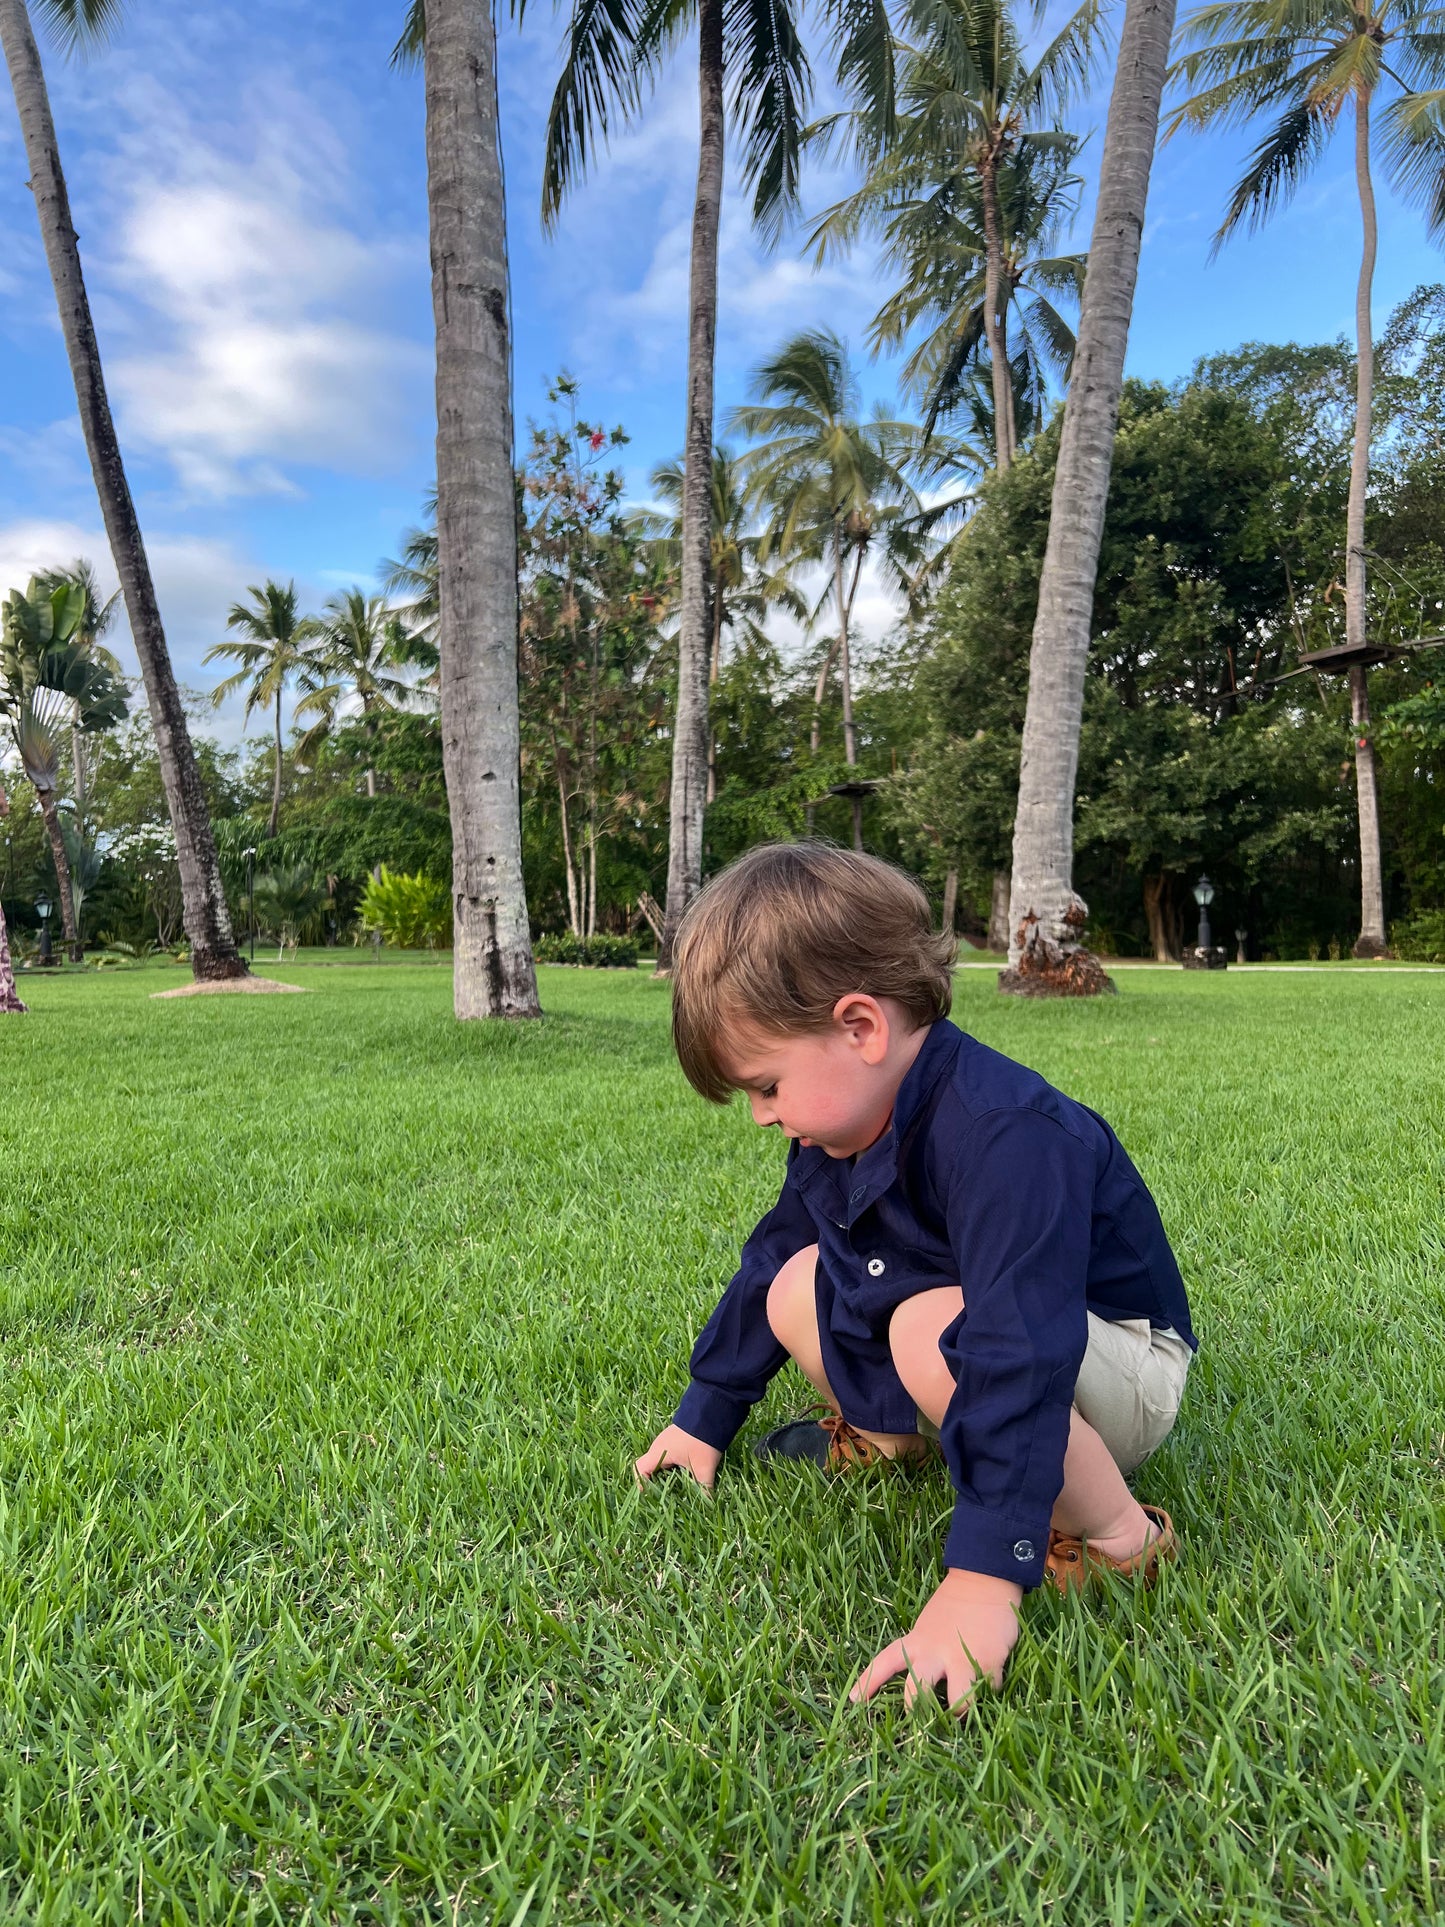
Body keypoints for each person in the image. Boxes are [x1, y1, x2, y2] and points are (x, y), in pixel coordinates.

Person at [636, 842, 1196, 1713]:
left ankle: (1122, 1533)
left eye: (767, 1083)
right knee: (796, 1276)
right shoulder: (837, 1131)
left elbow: (1019, 1344)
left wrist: (982, 1578)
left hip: (1108, 1365)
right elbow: (767, 1264)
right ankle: (893, 1434)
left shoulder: (1008, 1132)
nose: (760, 1115)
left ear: (860, 1028)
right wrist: (705, 1413)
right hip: (983, 1336)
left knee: (927, 1327)